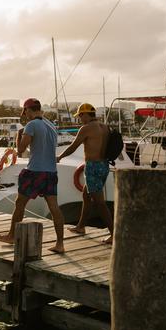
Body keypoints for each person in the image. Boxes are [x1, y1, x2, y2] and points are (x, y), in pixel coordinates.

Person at [0, 98, 65, 254]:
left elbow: (20, 150)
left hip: (34, 171)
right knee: (54, 207)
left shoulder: (31, 125)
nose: (24, 115)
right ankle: (60, 243)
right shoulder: (51, 125)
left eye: (24, 112)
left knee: (20, 203)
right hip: (51, 172)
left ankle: (12, 235)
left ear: (28, 110)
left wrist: (19, 134)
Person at [56, 103, 114, 244]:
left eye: (80, 115)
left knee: (100, 203)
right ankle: (81, 226)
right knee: (86, 195)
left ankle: (114, 234)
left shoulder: (86, 128)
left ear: (86, 114)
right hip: (104, 165)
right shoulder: (105, 127)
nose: (80, 119)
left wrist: (59, 157)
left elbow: (73, 146)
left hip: (93, 167)